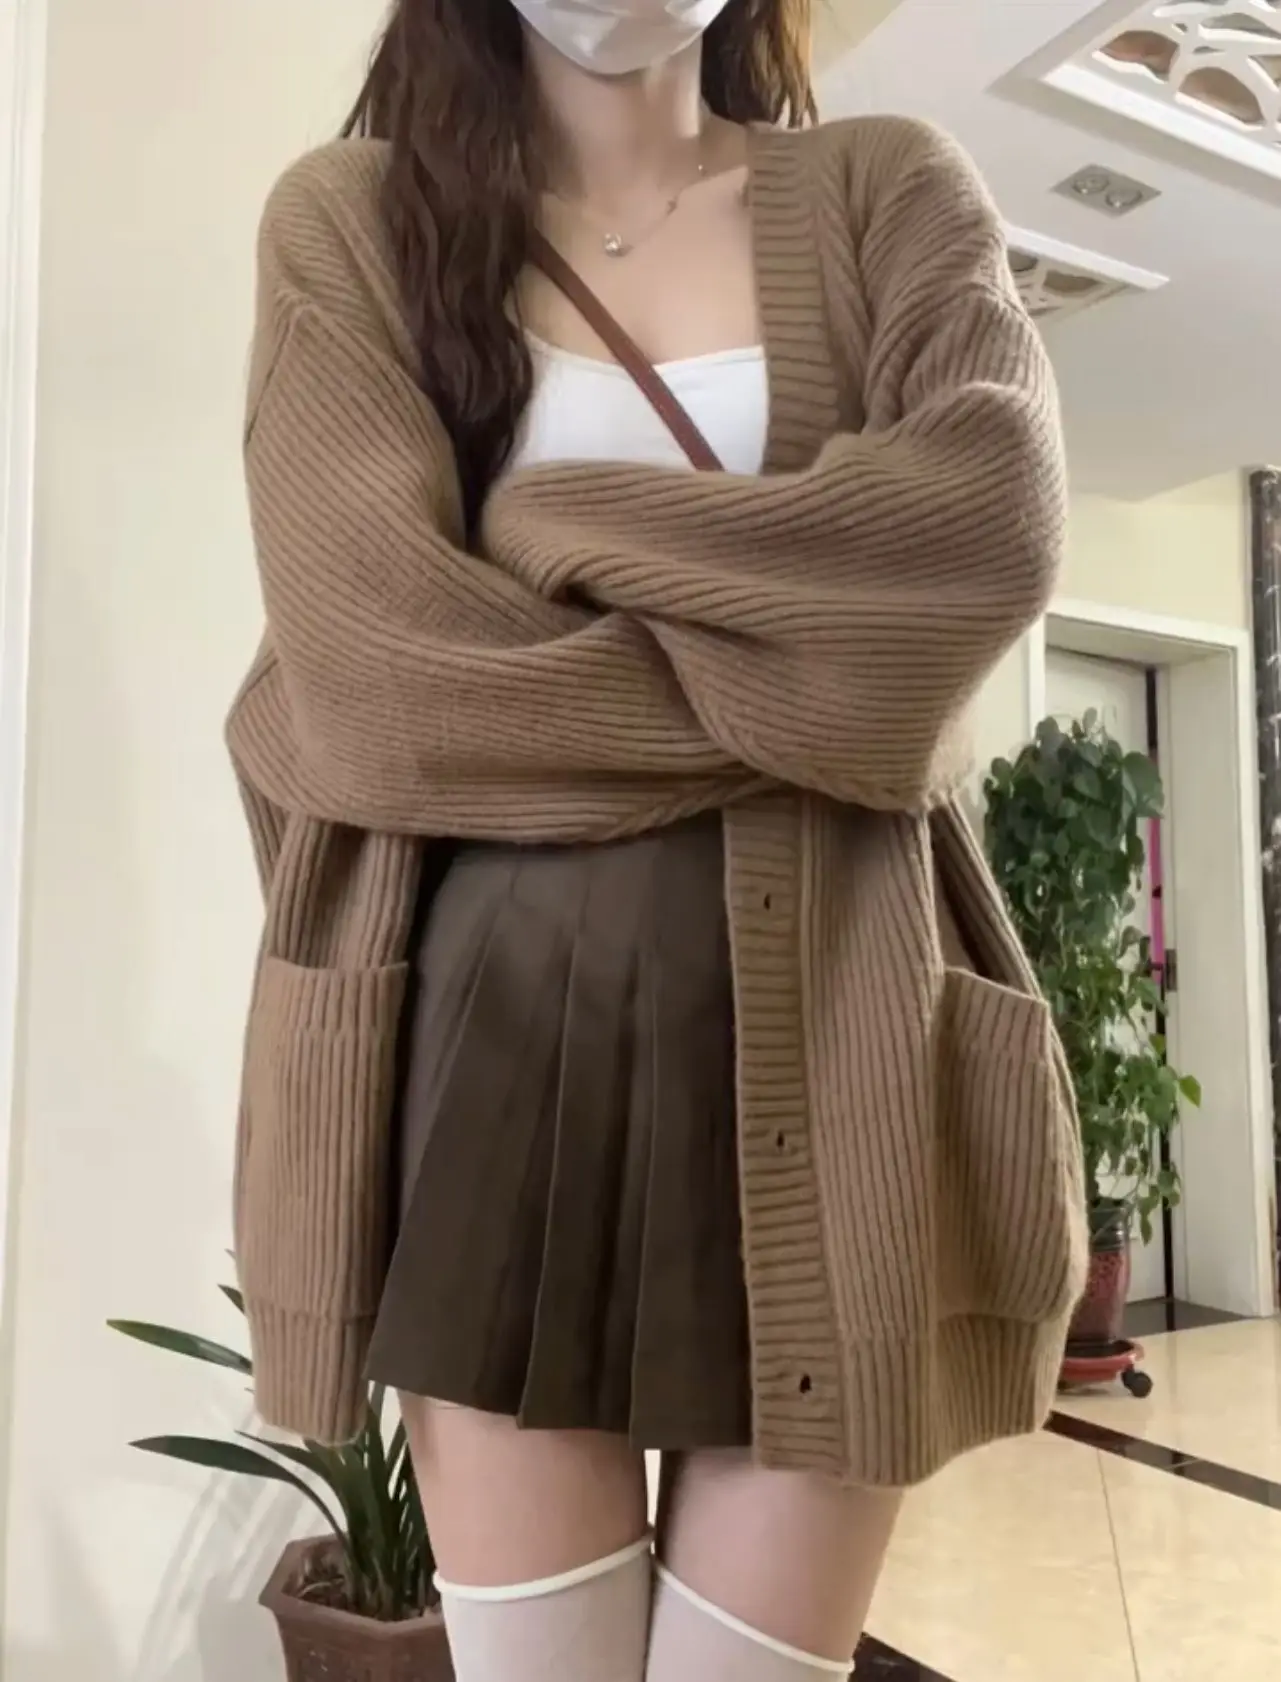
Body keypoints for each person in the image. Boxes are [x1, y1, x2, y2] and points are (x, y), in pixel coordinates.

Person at [226, 2, 1088, 1678]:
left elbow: (985, 533)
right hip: (490, 1058)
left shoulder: (889, 190)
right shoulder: (352, 221)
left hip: (843, 1056)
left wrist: (551, 528)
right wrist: (817, 700)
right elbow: (381, 683)